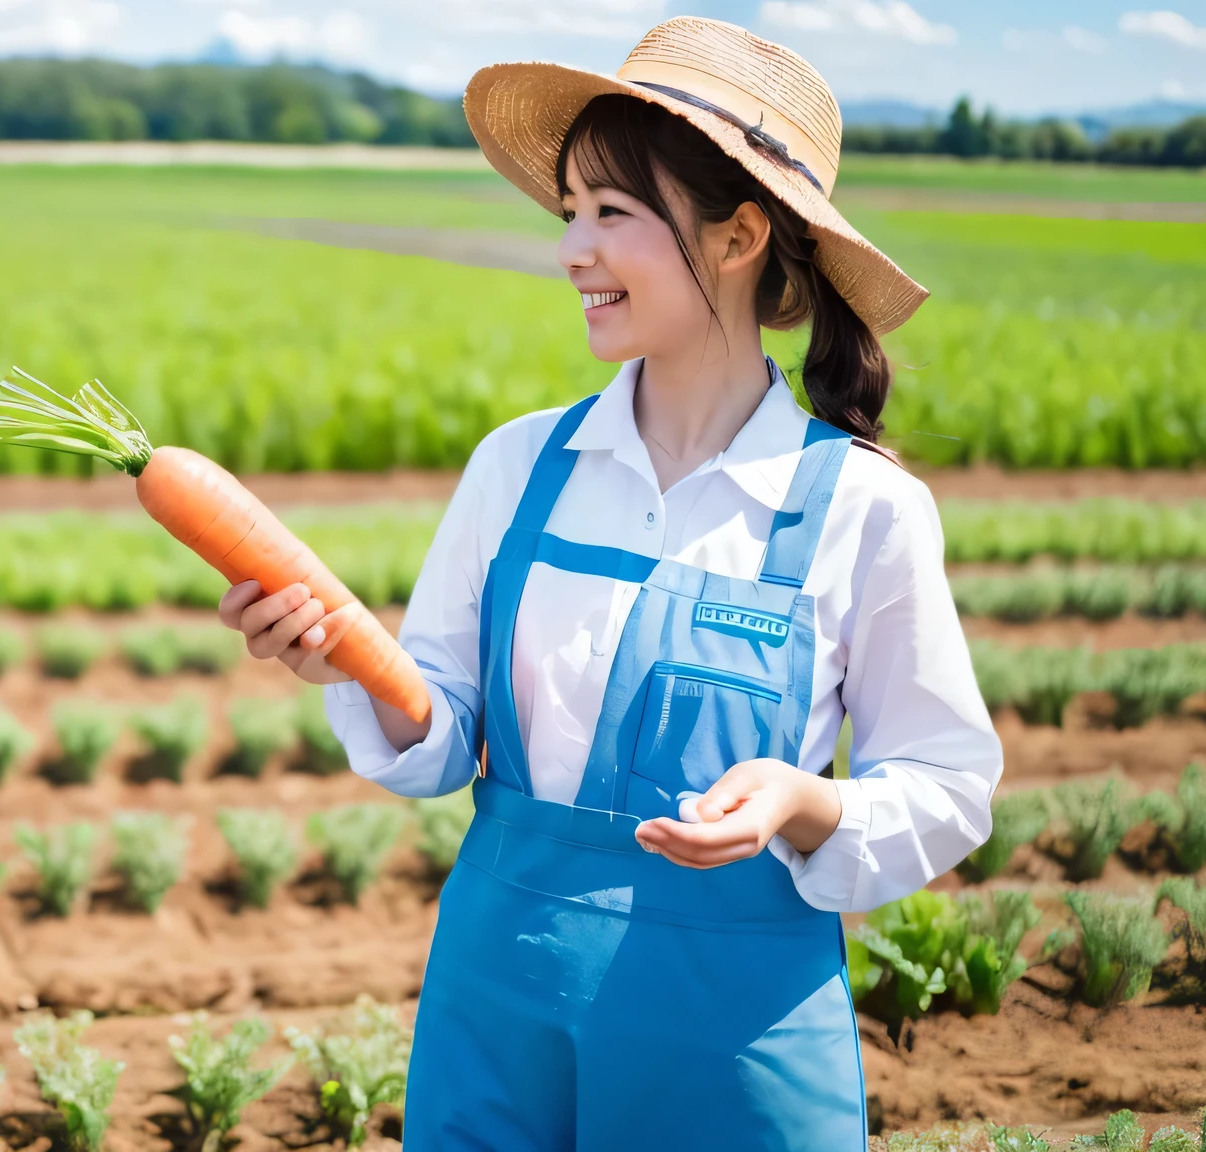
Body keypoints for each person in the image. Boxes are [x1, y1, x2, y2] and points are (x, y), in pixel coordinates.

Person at [216, 15, 1002, 1151]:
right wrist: (346, 656)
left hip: (730, 1035)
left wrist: (803, 801)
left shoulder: (862, 509)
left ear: (737, 238)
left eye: (611, 214)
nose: (571, 249)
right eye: (569, 211)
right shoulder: (518, 466)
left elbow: (944, 782)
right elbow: (440, 732)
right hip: (496, 1002)